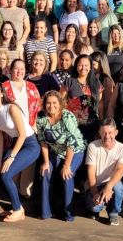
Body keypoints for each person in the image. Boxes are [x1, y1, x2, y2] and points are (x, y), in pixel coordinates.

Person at [0, 82, 41, 222]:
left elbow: (23, 134)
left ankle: (18, 210)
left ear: (1, 94)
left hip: (30, 145)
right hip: (16, 143)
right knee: (1, 173)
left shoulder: (11, 108)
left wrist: (11, 156)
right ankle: (17, 207)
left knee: (6, 175)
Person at [37, 90, 86, 221]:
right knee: (45, 172)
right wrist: (46, 162)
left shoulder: (67, 116)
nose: (51, 106)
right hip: (56, 151)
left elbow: (71, 142)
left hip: (75, 150)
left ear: (60, 104)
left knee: (66, 175)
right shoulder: (41, 117)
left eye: (54, 103)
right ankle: (46, 212)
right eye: (48, 103)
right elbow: (43, 141)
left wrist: (66, 165)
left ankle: (68, 213)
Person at [85, 118, 123, 226]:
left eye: (110, 132)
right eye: (104, 132)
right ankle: (97, 208)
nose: (107, 136)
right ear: (99, 133)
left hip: (112, 184)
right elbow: (91, 171)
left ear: (116, 133)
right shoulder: (93, 146)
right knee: (94, 208)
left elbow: (121, 170)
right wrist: (95, 193)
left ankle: (113, 213)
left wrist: (109, 186)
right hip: (96, 184)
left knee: (118, 187)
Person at [67, 54, 103, 143]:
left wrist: (101, 122)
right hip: (74, 124)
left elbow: (100, 104)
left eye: (86, 65)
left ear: (90, 67)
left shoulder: (96, 82)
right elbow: (61, 101)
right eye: (80, 65)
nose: (83, 68)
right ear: (76, 66)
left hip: (92, 124)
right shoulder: (69, 81)